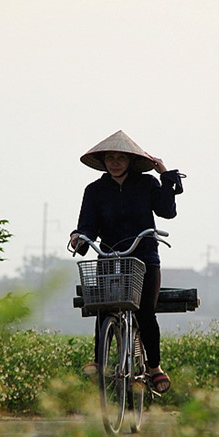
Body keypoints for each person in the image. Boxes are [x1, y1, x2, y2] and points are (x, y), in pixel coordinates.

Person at [69, 130, 184, 393]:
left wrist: (165, 175)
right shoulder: (95, 190)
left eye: (121, 157)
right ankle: (99, 361)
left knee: (145, 312)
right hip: (109, 256)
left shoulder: (147, 184)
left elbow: (167, 211)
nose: (115, 162)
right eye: (110, 157)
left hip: (144, 257)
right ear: (103, 161)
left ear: (131, 161)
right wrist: (79, 238)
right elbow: (87, 226)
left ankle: (154, 368)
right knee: (104, 308)